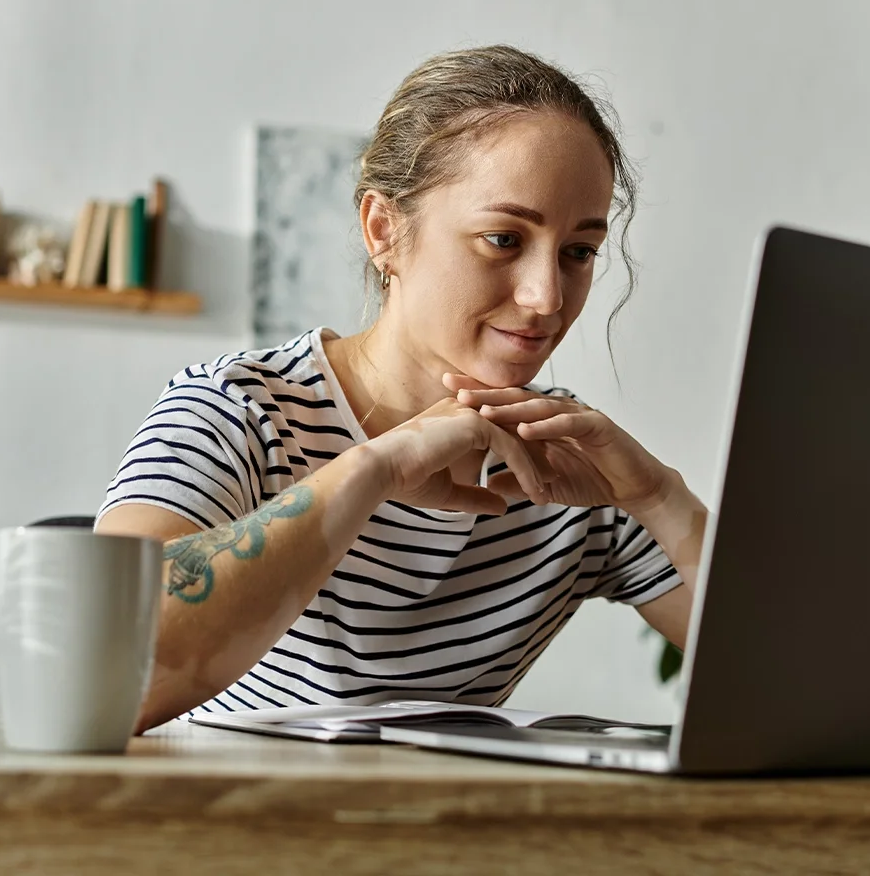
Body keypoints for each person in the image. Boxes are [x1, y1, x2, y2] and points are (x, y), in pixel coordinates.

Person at [96, 45, 710, 732]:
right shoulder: (237, 410)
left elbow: (798, 680)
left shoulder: (569, 465)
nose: (547, 297)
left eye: (579, 252)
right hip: (232, 803)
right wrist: (375, 470)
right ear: (384, 230)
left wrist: (658, 498)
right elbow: (102, 670)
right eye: (504, 239)